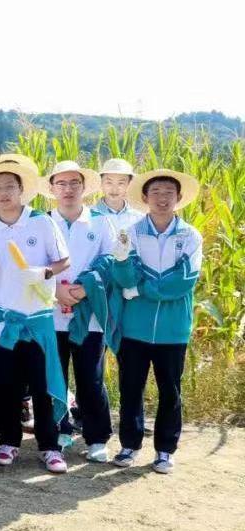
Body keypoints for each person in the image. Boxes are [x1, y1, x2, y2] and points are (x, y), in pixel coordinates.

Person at [0, 162, 72, 473]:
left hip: (39, 317)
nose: (4, 193)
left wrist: (42, 272)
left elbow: (63, 261)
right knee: (5, 385)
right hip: (3, 319)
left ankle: (50, 446)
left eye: (9, 187)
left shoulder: (41, 222)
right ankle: (8, 442)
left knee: (43, 385)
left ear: (21, 190)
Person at [108, 169, 202, 474]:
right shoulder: (131, 233)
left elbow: (183, 281)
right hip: (135, 326)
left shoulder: (190, 236)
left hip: (173, 330)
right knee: (130, 388)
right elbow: (124, 276)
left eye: (169, 193)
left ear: (178, 198)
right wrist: (128, 276)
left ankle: (165, 450)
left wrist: (143, 289)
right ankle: (129, 445)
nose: (162, 199)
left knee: (170, 391)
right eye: (156, 193)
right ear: (146, 198)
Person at [43, 161, 115, 462]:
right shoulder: (42, 221)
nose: (68, 189)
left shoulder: (100, 222)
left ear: (84, 187)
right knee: (53, 376)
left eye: (74, 183)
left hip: (89, 314)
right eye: (61, 183)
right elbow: (30, 264)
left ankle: (97, 437)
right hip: (50, 313)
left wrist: (84, 288)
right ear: (52, 189)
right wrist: (56, 289)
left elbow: (110, 260)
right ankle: (58, 430)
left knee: (90, 377)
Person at [94, 158, 145, 233]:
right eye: (109, 182)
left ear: (129, 185)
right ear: (101, 183)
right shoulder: (88, 216)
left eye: (121, 183)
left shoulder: (139, 218)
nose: (114, 189)